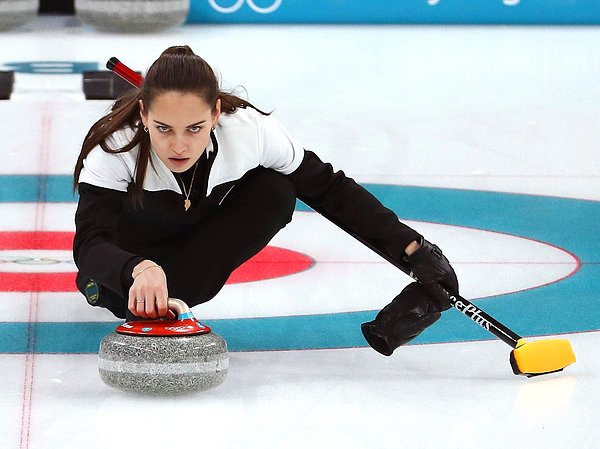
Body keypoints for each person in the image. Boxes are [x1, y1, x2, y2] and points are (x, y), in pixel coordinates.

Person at [72, 45, 459, 356]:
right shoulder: (115, 148)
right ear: (142, 113)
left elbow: (329, 189)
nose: (179, 145)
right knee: (119, 285)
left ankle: (172, 293)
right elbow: (89, 242)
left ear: (217, 113)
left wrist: (411, 248)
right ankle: (126, 294)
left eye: (195, 128)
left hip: (192, 256)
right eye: (163, 128)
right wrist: (135, 269)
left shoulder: (252, 133)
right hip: (127, 261)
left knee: (276, 189)